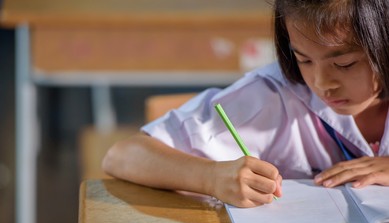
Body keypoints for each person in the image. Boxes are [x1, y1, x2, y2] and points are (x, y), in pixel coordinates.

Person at [102, 0, 389, 208]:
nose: (323, 82)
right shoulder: (271, 96)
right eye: (304, 60)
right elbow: (123, 156)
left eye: (344, 63)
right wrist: (211, 177)